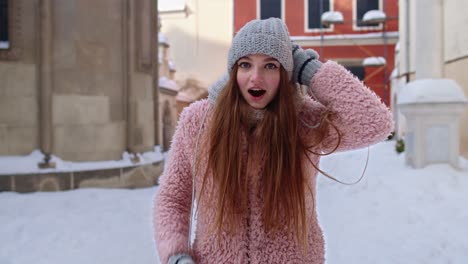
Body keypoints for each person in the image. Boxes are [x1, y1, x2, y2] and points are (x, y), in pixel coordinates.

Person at [153, 18, 393, 264]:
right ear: (233, 70)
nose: (255, 78)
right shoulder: (199, 121)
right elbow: (173, 197)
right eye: (245, 65)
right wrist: (176, 254)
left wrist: (310, 70)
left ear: (286, 73)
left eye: (270, 66)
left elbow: (376, 123)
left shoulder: (304, 121)